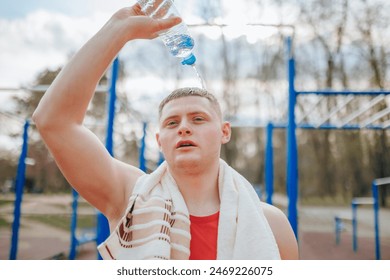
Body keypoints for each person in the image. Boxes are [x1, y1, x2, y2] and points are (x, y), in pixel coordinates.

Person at [32, 3, 298, 260]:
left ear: (224, 131)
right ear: (160, 140)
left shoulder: (271, 225)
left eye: (198, 119)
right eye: (172, 123)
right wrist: (118, 29)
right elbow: (54, 122)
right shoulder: (130, 198)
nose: (183, 127)